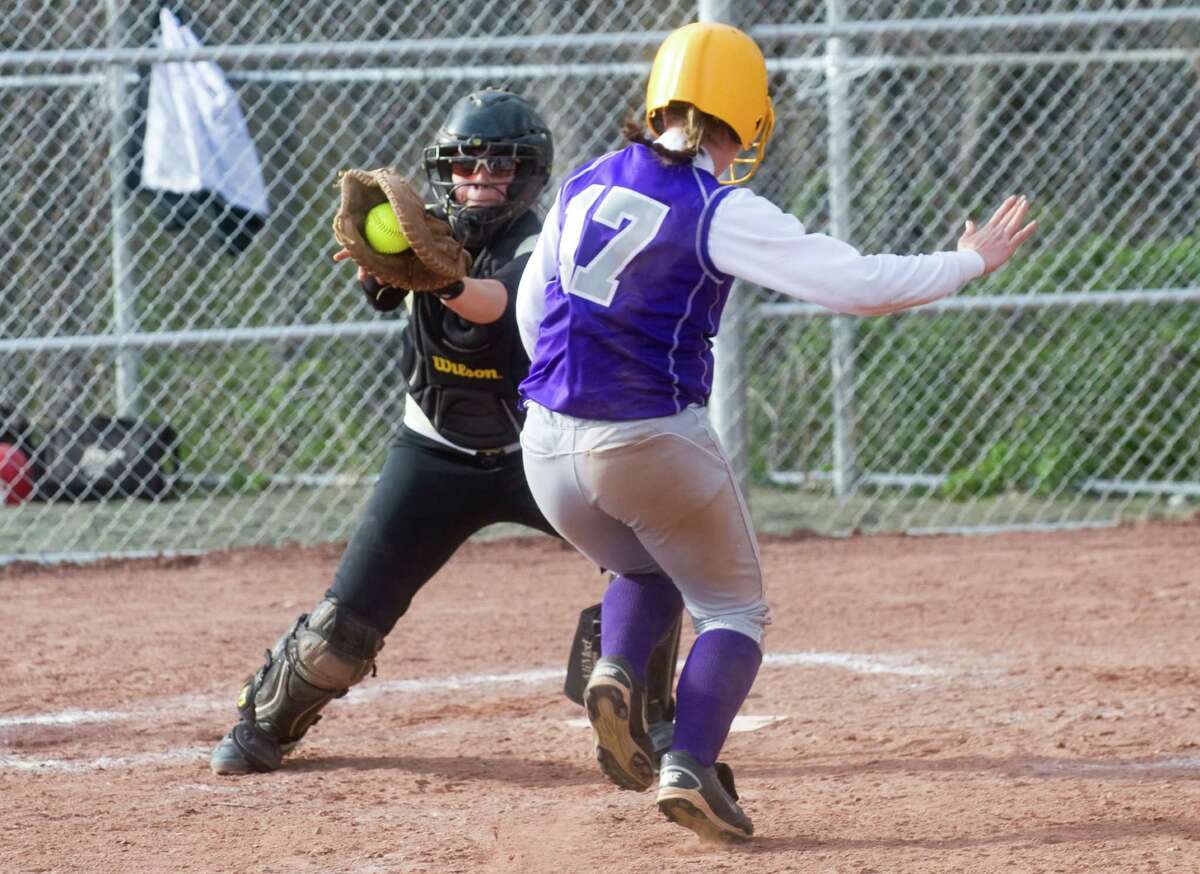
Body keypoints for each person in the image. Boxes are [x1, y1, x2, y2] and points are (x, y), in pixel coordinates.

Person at [514, 22, 1036, 841]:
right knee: (732, 609)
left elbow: (531, 313)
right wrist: (968, 260)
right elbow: (858, 285)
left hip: (544, 444)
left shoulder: (584, 182)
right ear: (748, 115)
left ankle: (616, 670)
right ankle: (689, 767)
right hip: (648, 438)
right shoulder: (714, 205)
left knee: (644, 565)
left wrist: (565, 405)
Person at [208, 88, 562, 775]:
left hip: (539, 452)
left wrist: (443, 278)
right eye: (465, 165)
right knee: (343, 628)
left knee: (648, 569)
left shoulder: (549, 245)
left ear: (530, 175)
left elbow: (496, 304)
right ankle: (265, 725)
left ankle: (641, 711)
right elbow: (382, 288)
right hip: (436, 450)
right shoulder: (426, 230)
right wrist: (394, 264)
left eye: (500, 166)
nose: (480, 179)